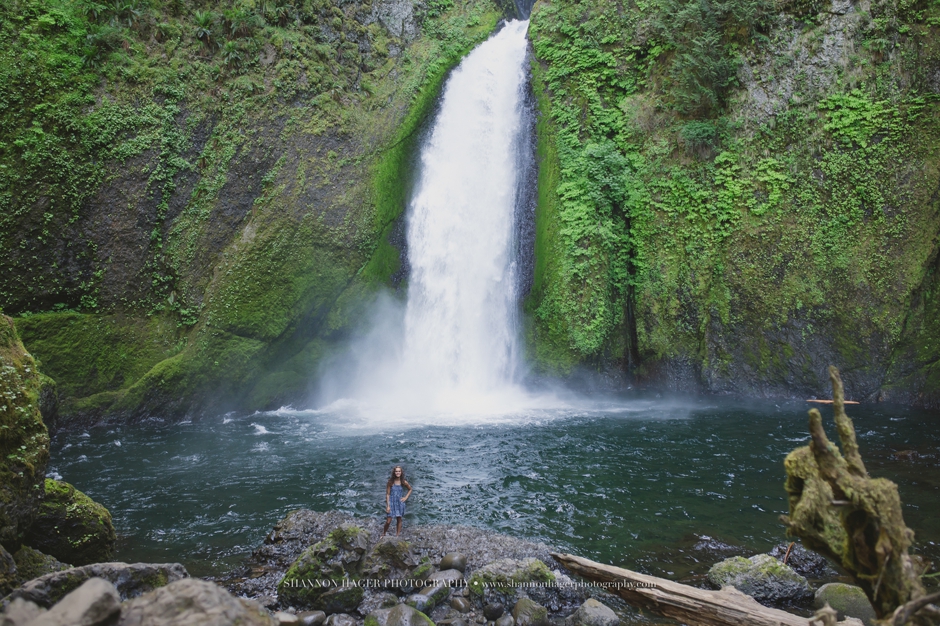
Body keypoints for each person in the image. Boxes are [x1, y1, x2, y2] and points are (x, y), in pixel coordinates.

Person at [383, 465, 412, 537]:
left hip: (399, 502)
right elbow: (388, 494)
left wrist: (405, 497)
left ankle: (397, 535)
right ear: (394, 472)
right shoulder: (390, 482)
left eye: (399, 471)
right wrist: (388, 506)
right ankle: (383, 534)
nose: (397, 473)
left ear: (401, 472)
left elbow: (410, 489)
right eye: (396, 471)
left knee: (399, 519)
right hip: (392, 502)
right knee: (388, 521)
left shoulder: (403, 482)